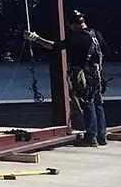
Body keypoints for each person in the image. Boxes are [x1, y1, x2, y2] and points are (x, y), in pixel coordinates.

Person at [27, 9, 109, 146]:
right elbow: (105, 51)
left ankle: (91, 136)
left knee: (87, 104)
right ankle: (102, 136)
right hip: (98, 74)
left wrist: (35, 38)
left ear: (73, 25)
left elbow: (54, 46)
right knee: (98, 104)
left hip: (85, 75)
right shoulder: (96, 34)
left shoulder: (76, 37)